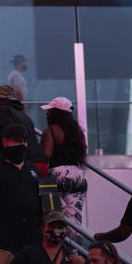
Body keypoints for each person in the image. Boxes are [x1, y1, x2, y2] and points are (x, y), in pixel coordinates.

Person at [0, 124, 43, 254]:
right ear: (5, 142)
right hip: (1, 240)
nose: (22, 144)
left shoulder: (35, 170)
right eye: (17, 140)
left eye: (24, 141)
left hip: (32, 240)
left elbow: (49, 204)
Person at [40, 97, 88, 229]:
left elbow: (46, 155)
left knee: (51, 217)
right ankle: (73, 249)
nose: (47, 113)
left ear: (56, 113)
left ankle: (54, 248)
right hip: (79, 176)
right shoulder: (78, 131)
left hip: (55, 176)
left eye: (49, 111)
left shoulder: (50, 130)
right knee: (74, 222)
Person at [0, 84, 48, 176]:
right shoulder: (23, 114)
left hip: (25, 166)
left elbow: (8, 138)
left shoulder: (2, 111)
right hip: (40, 165)